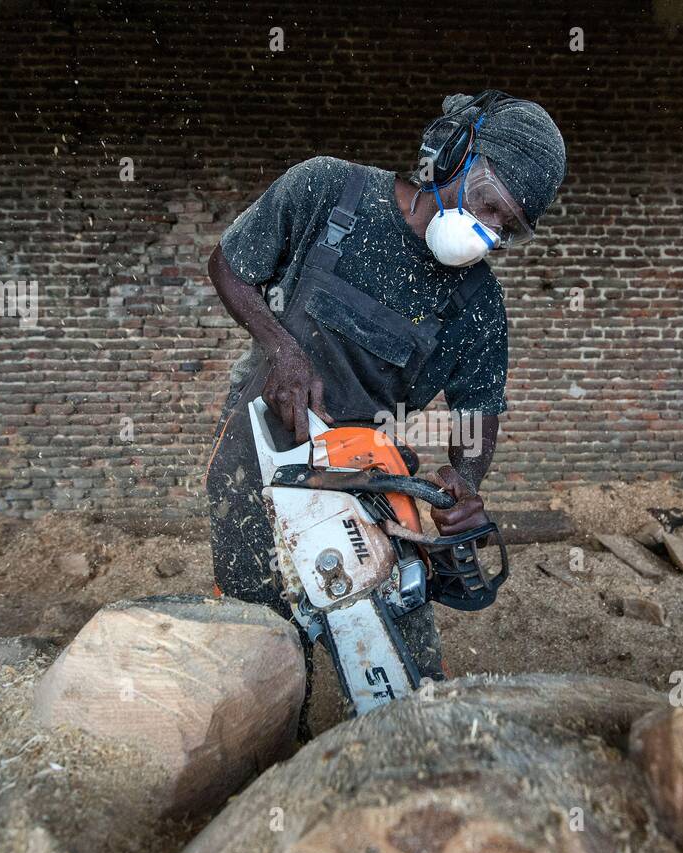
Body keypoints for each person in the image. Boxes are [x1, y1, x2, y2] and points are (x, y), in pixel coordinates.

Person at [203, 91, 566, 717]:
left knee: (398, 659)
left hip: (366, 467)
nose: (487, 234)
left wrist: (466, 475)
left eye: (505, 228)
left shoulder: (477, 302)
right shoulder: (327, 191)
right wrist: (281, 349)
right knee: (250, 639)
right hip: (263, 445)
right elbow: (229, 267)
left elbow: (479, 407)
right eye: (488, 207)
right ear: (453, 154)